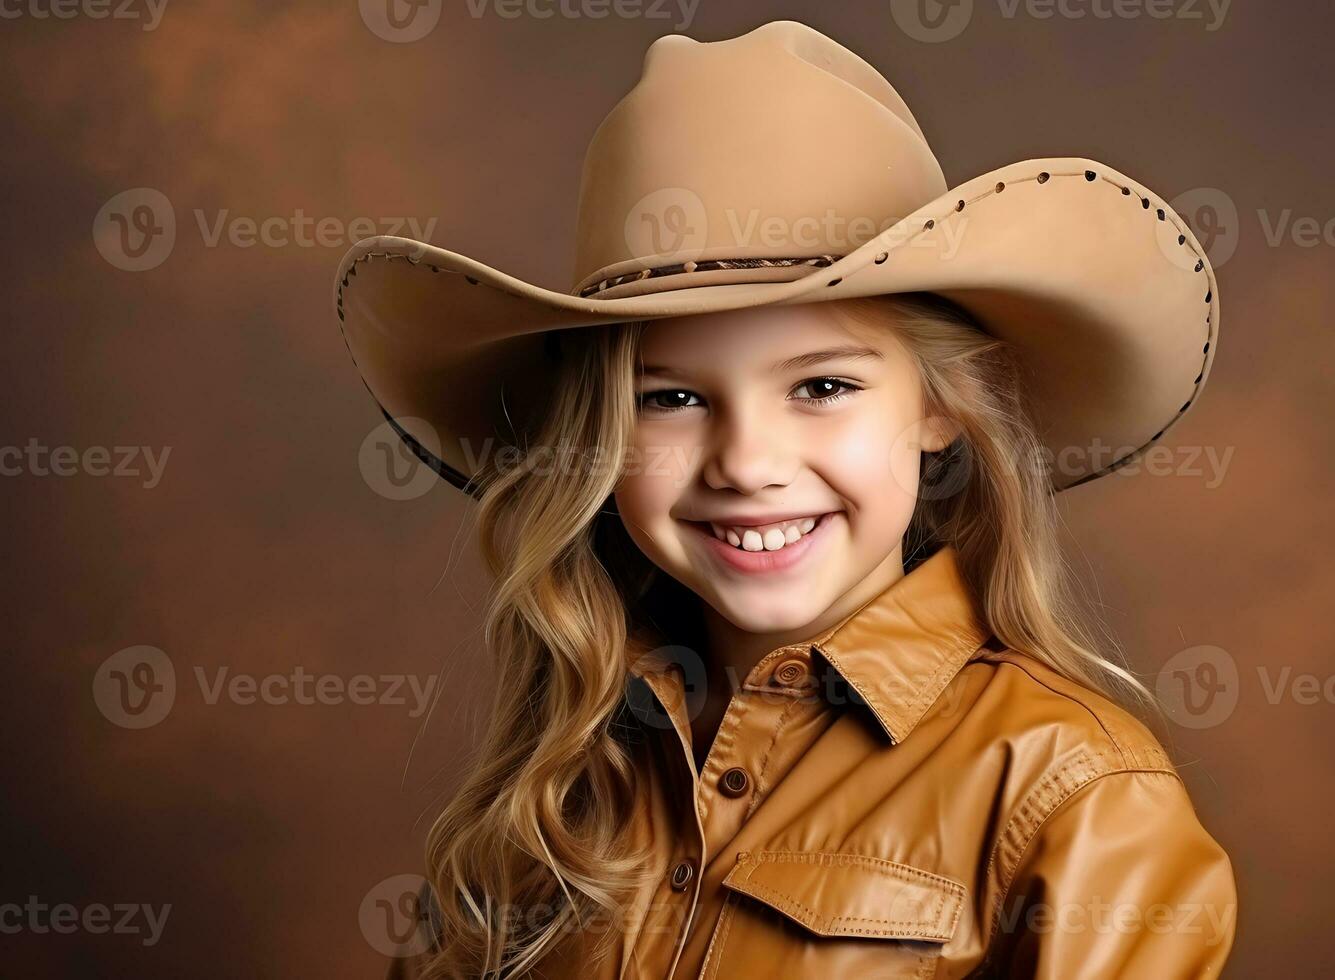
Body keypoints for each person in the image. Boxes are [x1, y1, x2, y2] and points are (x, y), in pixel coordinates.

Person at [334, 19, 1236, 980]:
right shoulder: (561, 780)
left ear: (938, 407)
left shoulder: (1074, 795)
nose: (748, 464)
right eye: (671, 398)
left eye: (822, 387)